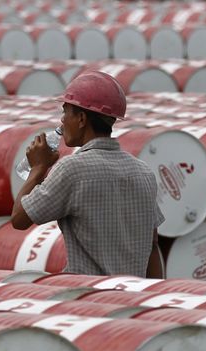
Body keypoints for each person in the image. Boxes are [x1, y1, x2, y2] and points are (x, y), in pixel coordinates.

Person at [10, 71, 165, 277]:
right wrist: (152, 295)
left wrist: (38, 168)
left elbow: (19, 219)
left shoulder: (72, 170)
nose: (62, 121)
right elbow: (153, 247)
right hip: (134, 296)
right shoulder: (144, 173)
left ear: (81, 118)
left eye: (66, 112)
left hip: (88, 300)